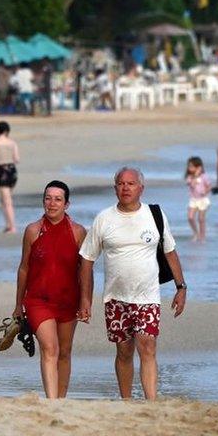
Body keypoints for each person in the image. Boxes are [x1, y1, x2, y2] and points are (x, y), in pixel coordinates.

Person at [77, 167, 187, 400]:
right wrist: (85, 299)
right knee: (124, 351)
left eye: (131, 183)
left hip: (147, 296)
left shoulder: (154, 215)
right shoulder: (104, 218)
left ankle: (151, 402)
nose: (125, 188)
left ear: (141, 188)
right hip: (115, 298)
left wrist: (181, 288)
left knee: (147, 347)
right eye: (121, 183)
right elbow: (86, 259)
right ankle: (126, 400)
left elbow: (170, 252)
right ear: (115, 188)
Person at [13, 180, 87, 399]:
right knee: (50, 348)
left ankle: (61, 400)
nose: (52, 203)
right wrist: (18, 305)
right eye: (48, 198)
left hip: (68, 300)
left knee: (64, 352)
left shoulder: (78, 232)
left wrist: (85, 301)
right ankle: (51, 402)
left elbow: (85, 271)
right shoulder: (33, 231)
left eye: (57, 199)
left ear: (67, 204)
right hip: (38, 301)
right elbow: (24, 269)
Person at [184, 156, 211, 242]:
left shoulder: (204, 176)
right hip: (194, 200)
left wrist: (206, 192)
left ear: (198, 167)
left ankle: (202, 237)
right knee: (190, 217)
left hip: (203, 200)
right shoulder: (190, 177)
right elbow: (192, 185)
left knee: (201, 219)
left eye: (191, 166)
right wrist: (195, 176)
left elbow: (209, 186)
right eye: (189, 166)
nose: (189, 168)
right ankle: (196, 232)